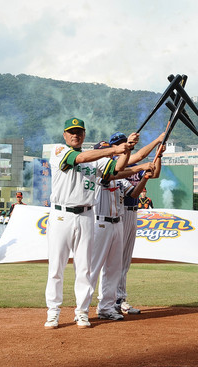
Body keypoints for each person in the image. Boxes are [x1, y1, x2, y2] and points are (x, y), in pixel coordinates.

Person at [44, 118, 135, 330]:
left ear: (84, 135)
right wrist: (114, 149)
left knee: (84, 268)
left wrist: (127, 150)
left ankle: (82, 312)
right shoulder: (59, 151)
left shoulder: (97, 161)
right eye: (71, 132)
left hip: (86, 215)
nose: (75, 135)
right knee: (56, 267)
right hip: (61, 215)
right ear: (65, 135)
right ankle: (53, 312)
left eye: (79, 132)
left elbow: (118, 168)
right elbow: (82, 157)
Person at [88, 141, 156, 321]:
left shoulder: (119, 177)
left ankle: (107, 307)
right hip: (100, 223)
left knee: (114, 268)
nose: (107, 154)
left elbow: (133, 194)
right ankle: (83, 308)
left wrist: (145, 178)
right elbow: (113, 173)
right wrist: (139, 167)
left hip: (117, 222)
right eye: (103, 151)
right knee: (94, 268)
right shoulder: (96, 172)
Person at [109, 131, 164, 316]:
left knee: (125, 260)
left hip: (133, 212)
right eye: (121, 144)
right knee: (116, 259)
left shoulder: (133, 163)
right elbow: (141, 157)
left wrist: (159, 155)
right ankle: (112, 299)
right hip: (120, 211)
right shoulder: (115, 166)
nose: (125, 145)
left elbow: (154, 173)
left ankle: (120, 299)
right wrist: (157, 139)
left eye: (126, 143)